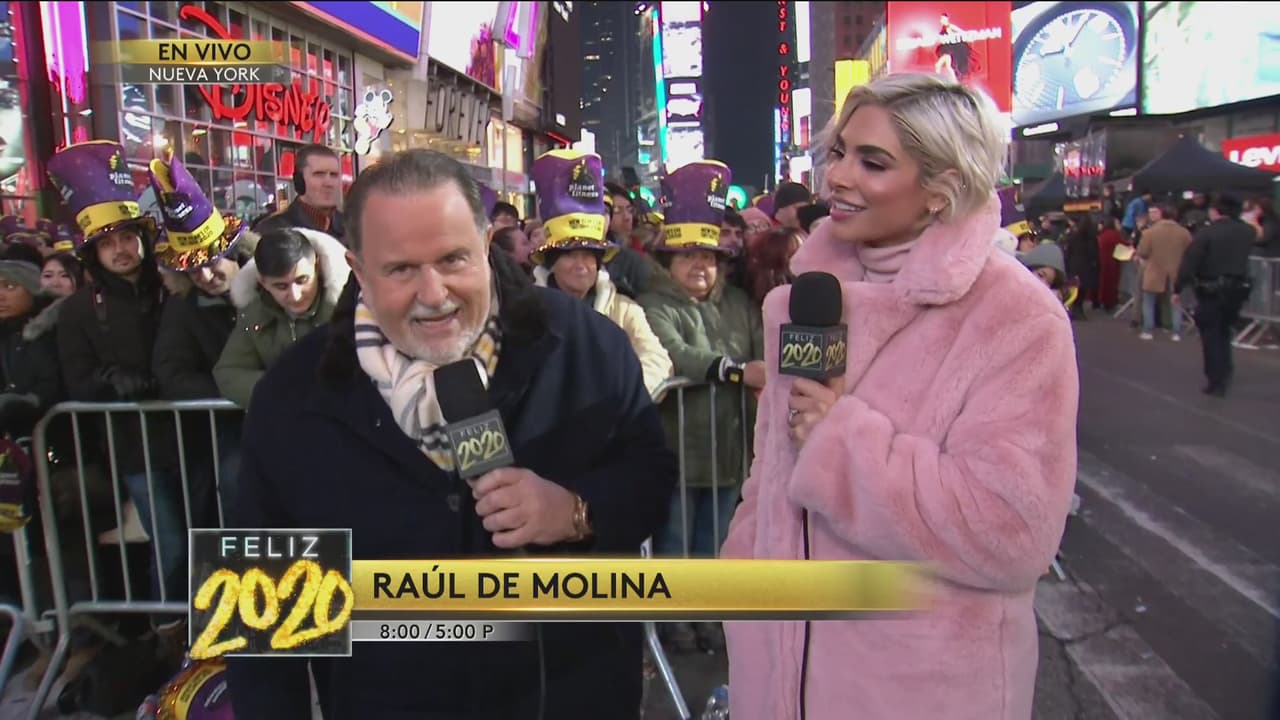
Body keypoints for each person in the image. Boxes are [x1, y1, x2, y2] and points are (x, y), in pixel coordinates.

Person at [223, 148, 676, 718]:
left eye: (453, 259)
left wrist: (576, 511)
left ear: (486, 245)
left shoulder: (586, 346)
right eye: (401, 269)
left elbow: (652, 480)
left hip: (569, 695)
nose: (434, 294)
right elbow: (260, 618)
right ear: (358, 271)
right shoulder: (291, 397)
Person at [722, 73, 1079, 720]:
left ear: (940, 191)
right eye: (839, 153)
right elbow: (771, 474)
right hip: (775, 676)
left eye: (873, 161)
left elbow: (1013, 530)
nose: (839, 179)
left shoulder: (1014, 318)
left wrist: (841, 445)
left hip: (917, 691)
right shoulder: (806, 299)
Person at [49, 141, 187, 606]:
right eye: (107, 243)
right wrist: (112, 383)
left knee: (212, 541)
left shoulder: (174, 288)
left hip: (196, 438)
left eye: (127, 237)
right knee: (170, 544)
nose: (121, 249)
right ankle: (166, 628)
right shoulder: (77, 312)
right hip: (136, 448)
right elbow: (77, 380)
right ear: (92, 253)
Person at [639, 160, 763, 654]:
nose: (700, 265)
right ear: (668, 261)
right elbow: (675, 355)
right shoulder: (654, 304)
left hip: (730, 449)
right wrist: (733, 371)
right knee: (675, 541)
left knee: (718, 543)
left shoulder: (740, 304)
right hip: (678, 452)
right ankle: (675, 620)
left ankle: (709, 615)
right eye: (687, 256)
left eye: (708, 256)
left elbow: (762, 353)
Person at [149, 153, 252, 520]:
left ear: (231, 253)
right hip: (229, 430)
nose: (206, 277)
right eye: (194, 272)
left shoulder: (273, 284)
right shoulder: (183, 309)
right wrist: (237, 389)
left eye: (210, 264)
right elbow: (172, 372)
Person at [529, 149, 673, 397]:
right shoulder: (525, 310)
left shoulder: (624, 309)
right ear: (552, 262)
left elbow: (658, 360)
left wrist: (619, 397)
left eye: (589, 255)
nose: (581, 264)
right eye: (570, 255)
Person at [212, 226, 348, 409]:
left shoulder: (349, 305)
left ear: (316, 265)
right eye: (281, 286)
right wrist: (286, 388)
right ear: (262, 282)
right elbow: (228, 374)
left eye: (302, 280)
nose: (295, 295)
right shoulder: (253, 313)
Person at [1175, 194, 1256, 397]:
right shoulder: (1247, 232)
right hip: (1237, 289)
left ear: (1216, 211)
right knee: (1225, 330)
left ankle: (1215, 377)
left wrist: (1178, 287)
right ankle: (1226, 371)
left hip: (1211, 287)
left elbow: (1190, 262)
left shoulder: (1207, 233)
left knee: (1211, 334)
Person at [252, 144, 347, 241]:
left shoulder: (353, 228)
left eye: (334, 175)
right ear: (299, 181)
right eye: (319, 174)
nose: (329, 183)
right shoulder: (271, 230)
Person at [1136, 204, 1193, 341]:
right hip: (1176, 272)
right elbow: (1190, 252)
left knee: (1148, 301)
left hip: (1154, 271)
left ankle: (1148, 330)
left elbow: (1142, 252)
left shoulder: (1150, 232)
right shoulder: (1184, 233)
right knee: (1175, 302)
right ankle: (1176, 332)